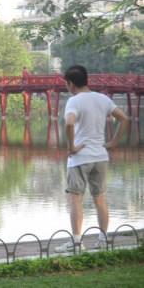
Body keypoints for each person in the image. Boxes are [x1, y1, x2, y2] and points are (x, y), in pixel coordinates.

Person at [55, 65, 128, 253]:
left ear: (70, 84)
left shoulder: (74, 101)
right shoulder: (103, 99)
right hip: (100, 157)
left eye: (67, 84)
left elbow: (69, 123)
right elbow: (124, 118)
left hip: (79, 158)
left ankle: (77, 242)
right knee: (100, 199)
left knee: (76, 200)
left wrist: (71, 147)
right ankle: (103, 240)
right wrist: (113, 142)